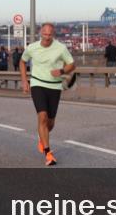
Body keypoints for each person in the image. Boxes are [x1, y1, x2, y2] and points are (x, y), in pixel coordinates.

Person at [20, 22, 75, 166]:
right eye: (45, 34)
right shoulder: (32, 47)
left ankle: (42, 136)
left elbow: (71, 64)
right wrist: (25, 81)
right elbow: (22, 62)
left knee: (50, 123)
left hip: (55, 86)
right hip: (37, 84)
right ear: (40, 33)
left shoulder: (60, 48)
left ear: (53, 34)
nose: (47, 37)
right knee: (42, 116)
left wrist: (62, 71)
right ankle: (48, 153)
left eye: (50, 34)